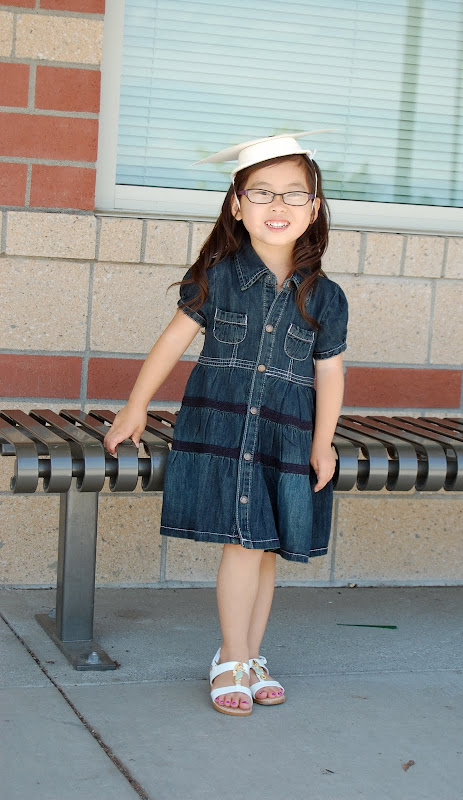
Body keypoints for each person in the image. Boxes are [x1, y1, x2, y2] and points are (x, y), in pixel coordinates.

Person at [103, 131, 349, 717]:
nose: (277, 205)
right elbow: (171, 343)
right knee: (242, 544)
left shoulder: (327, 296)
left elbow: (330, 374)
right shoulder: (218, 277)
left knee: (265, 550)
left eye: (294, 193)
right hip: (226, 432)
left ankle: (250, 655)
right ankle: (231, 658)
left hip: (285, 435)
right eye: (261, 192)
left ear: (314, 207)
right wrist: (136, 406)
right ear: (237, 205)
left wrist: (323, 443)